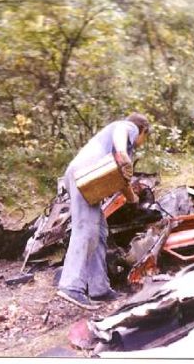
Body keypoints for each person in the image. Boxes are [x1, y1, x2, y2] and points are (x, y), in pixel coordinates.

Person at [57, 113, 150, 310]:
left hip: (83, 177)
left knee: (99, 233)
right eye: (145, 137)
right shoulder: (127, 129)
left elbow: (121, 179)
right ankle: (71, 286)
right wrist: (124, 156)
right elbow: (121, 130)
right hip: (84, 175)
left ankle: (99, 288)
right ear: (143, 131)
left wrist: (133, 198)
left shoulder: (123, 146)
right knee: (85, 230)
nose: (143, 141)